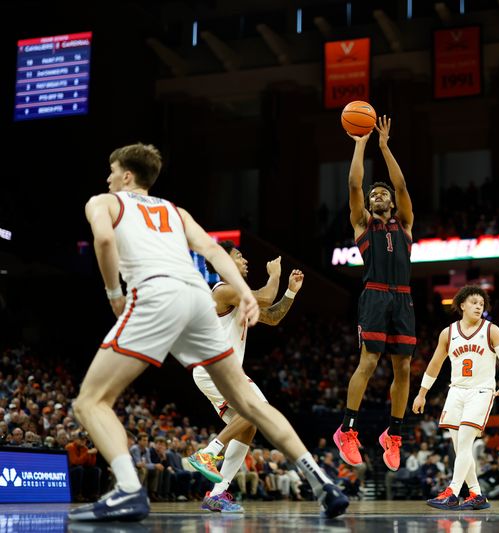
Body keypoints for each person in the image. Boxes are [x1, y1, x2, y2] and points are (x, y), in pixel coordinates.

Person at [69, 143, 347, 522]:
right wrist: (248, 295)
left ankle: (129, 491)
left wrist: (114, 294)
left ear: (127, 176)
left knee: (89, 401)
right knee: (252, 407)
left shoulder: (103, 201)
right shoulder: (176, 212)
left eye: (112, 171)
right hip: (195, 298)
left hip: (156, 294)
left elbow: (103, 241)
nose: (108, 178)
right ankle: (321, 483)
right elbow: (214, 254)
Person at [188, 246, 305, 512]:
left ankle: (217, 493)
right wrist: (274, 276)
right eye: (238, 256)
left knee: (249, 425)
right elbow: (264, 297)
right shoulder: (222, 290)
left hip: (221, 370)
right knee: (258, 410)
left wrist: (290, 292)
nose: (245, 259)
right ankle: (208, 452)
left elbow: (272, 317)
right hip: (215, 367)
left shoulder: (237, 297)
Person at [335, 116, 416, 472]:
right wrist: (361, 142)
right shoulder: (362, 223)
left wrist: (385, 146)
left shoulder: (405, 222)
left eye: (381, 193)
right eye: (373, 195)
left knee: (404, 367)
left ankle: (393, 435)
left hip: (404, 298)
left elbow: (400, 185)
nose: (377, 195)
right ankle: (347, 431)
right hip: (374, 295)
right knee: (368, 363)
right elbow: (355, 182)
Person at [411, 286, 499, 511]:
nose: (479, 306)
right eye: (474, 302)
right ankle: (477, 494)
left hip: (481, 391)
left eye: (482, 304)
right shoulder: (448, 333)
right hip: (456, 391)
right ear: (462, 305)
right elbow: (435, 364)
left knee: (466, 442)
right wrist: (421, 393)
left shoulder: (491, 330)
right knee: (460, 448)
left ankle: (453, 492)